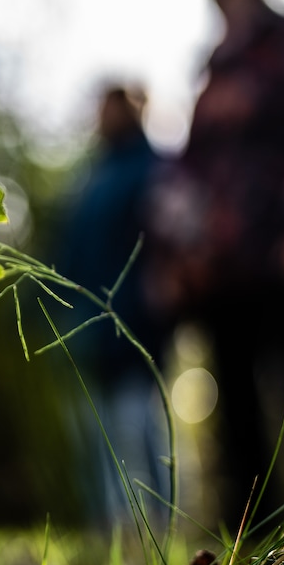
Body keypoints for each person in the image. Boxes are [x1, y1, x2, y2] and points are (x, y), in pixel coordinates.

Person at [150, 0, 284, 529]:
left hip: (282, 258)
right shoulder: (210, 80)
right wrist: (174, 254)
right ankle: (251, 540)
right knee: (234, 409)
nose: (225, 2)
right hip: (219, 270)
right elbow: (186, 175)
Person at [55, 85, 170, 525]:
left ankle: (162, 524)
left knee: (140, 425)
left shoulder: (152, 168)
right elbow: (73, 248)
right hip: (91, 326)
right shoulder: (92, 177)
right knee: (99, 432)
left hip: (138, 323)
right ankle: (114, 526)